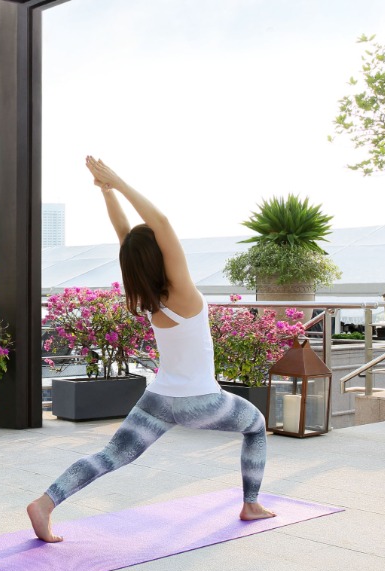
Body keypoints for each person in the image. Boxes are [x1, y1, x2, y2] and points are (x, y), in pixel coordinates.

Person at [26, 156, 277, 543]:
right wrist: (119, 182)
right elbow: (161, 224)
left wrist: (107, 192)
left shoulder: (147, 297)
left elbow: (125, 235)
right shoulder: (182, 292)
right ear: (161, 256)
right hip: (202, 402)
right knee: (257, 425)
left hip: (158, 399)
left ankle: (45, 503)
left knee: (110, 456)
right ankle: (251, 503)